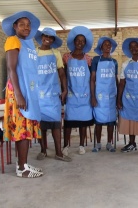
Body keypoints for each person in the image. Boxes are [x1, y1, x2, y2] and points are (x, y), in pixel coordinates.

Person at [2, 11, 43, 178]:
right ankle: (21, 168)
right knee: (22, 129)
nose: (26, 27)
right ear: (14, 27)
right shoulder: (13, 40)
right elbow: (11, 68)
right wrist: (18, 95)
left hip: (29, 91)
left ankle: (24, 164)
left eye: (28, 24)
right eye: (22, 24)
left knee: (26, 127)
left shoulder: (29, 44)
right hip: (18, 91)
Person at [34, 27, 71, 162]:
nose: (47, 39)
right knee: (41, 126)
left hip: (53, 94)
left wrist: (65, 89)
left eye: (51, 38)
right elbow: (31, 73)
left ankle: (59, 152)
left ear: (53, 40)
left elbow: (61, 73)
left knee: (56, 124)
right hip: (38, 95)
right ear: (42, 37)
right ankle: (43, 150)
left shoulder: (56, 53)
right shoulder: (35, 53)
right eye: (46, 36)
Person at [62, 26, 94, 155]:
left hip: (85, 94)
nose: (80, 43)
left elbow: (91, 78)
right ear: (73, 42)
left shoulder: (88, 59)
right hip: (71, 93)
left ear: (85, 43)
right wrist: (63, 91)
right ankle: (66, 146)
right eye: (78, 40)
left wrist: (92, 95)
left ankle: (81, 145)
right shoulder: (66, 57)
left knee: (83, 121)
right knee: (69, 121)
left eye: (82, 41)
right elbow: (63, 75)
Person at [90, 37, 118, 152]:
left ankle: (109, 143)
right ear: (101, 47)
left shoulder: (114, 61)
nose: (108, 46)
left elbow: (116, 79)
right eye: (105, 44)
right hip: (99, 95)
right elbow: (92, 79)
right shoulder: (96, 60)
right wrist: (93, 96)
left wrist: (119, 96)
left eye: (109, 44)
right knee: (99, 121)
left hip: (112, 94)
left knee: (111, 121)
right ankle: (97, 143)